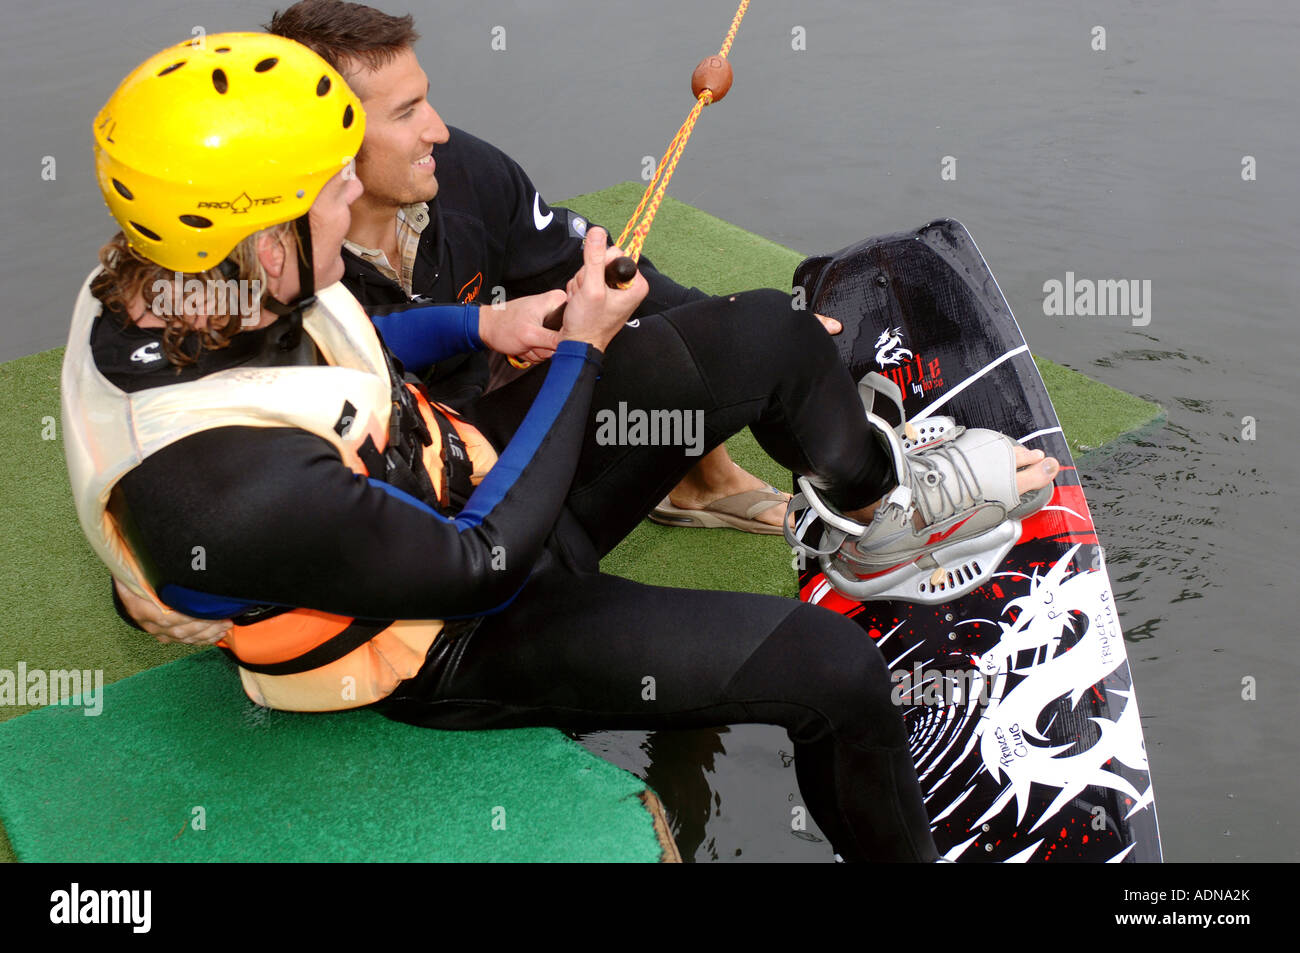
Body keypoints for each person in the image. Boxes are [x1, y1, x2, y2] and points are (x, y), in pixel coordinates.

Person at [69, 32, 1059, 861]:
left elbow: (341, 348)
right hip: (445, 636)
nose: (349, 199)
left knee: (763, 330)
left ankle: (877, 515)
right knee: (832, 669)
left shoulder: (185, 276)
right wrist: (582, 345)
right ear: (268, 240)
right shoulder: (209, 488)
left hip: (462, 483)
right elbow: (480, 565)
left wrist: (479, 329)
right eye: (331, 190)